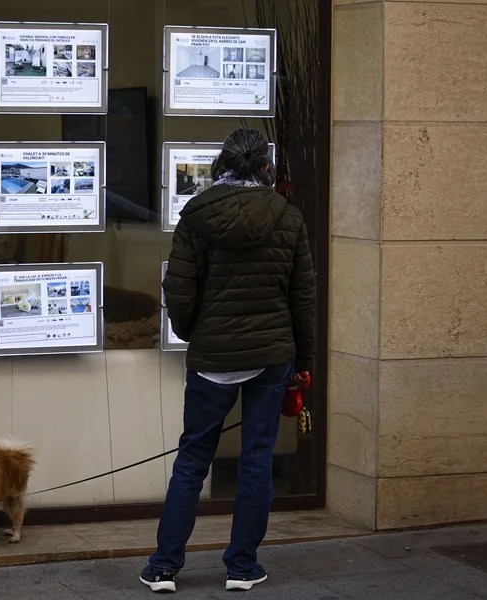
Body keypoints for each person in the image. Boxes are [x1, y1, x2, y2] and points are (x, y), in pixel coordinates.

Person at [139, 128, 316, 593]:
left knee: (193, 458)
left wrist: (193, 333)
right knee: (256, 460)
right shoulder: (289, 217)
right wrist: (305, 359)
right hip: (272, 354)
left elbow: (178, 290)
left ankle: (163, 566)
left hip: (212, 354)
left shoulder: (196, 215)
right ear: (264, 167)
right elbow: (303, 298)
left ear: (222, 164)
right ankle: (242, 566)